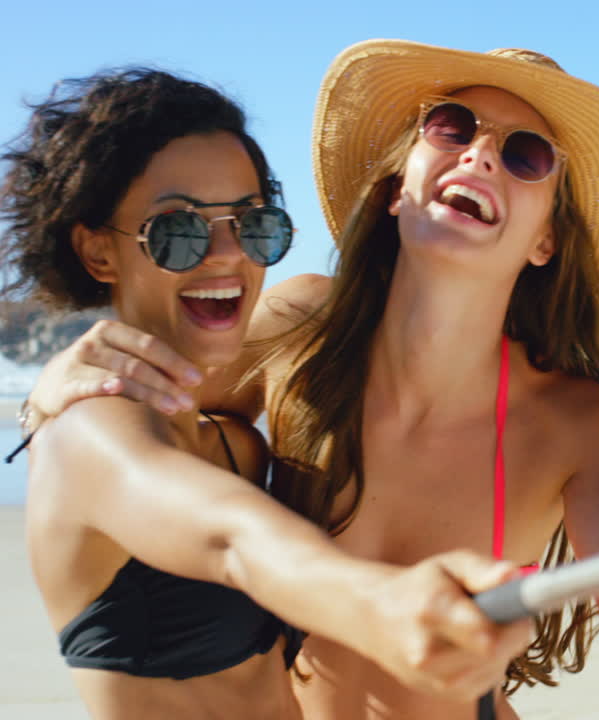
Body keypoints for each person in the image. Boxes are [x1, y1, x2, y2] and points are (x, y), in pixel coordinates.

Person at [28, 42, 599, 720]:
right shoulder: (300, 330)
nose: (478, 154)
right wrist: (54, 387)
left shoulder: (574, 420)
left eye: (525, 156)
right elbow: (130, 426)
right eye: (451, 126)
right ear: (396, 189)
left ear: (546, 241)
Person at [2, 67, 532, 720]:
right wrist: (378, 605)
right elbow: (236, 543)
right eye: (179, 230)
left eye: (254, 226)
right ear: (97, 251)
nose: (228, 255)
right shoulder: (89, 434)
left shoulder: (236, 446)